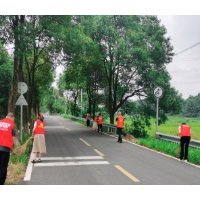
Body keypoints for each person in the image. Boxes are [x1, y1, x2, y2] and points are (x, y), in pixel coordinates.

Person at [0, 112, 16, 185]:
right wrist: (12, 148)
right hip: (5, 149)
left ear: (6, 116)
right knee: (3, 167)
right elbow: (13, 139)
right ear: (13, 118)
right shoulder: (13, 125)